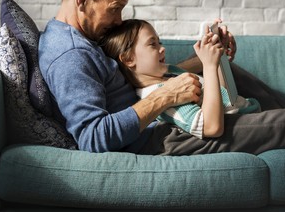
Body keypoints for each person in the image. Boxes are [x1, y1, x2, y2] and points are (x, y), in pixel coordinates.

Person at [39, 0, 285, 155]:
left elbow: (140, 76)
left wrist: (207, 57)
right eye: (114, 8)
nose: (120, 20)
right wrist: (167, 95)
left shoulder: (84, 35)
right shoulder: (70, 56)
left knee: (237, 74)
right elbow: (93, 137)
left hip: (162, 112)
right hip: (159, 136)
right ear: (82, 0)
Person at [100, 19, 261, 140]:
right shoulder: (159, 96)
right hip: (241, 121)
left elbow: (223, 96)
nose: (162, 48)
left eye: (160, 42)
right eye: (152, 44)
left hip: (247, 108)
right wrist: (209, 66)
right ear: (128, 59)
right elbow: (211, 127)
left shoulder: (168, 72)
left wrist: (215, 49)